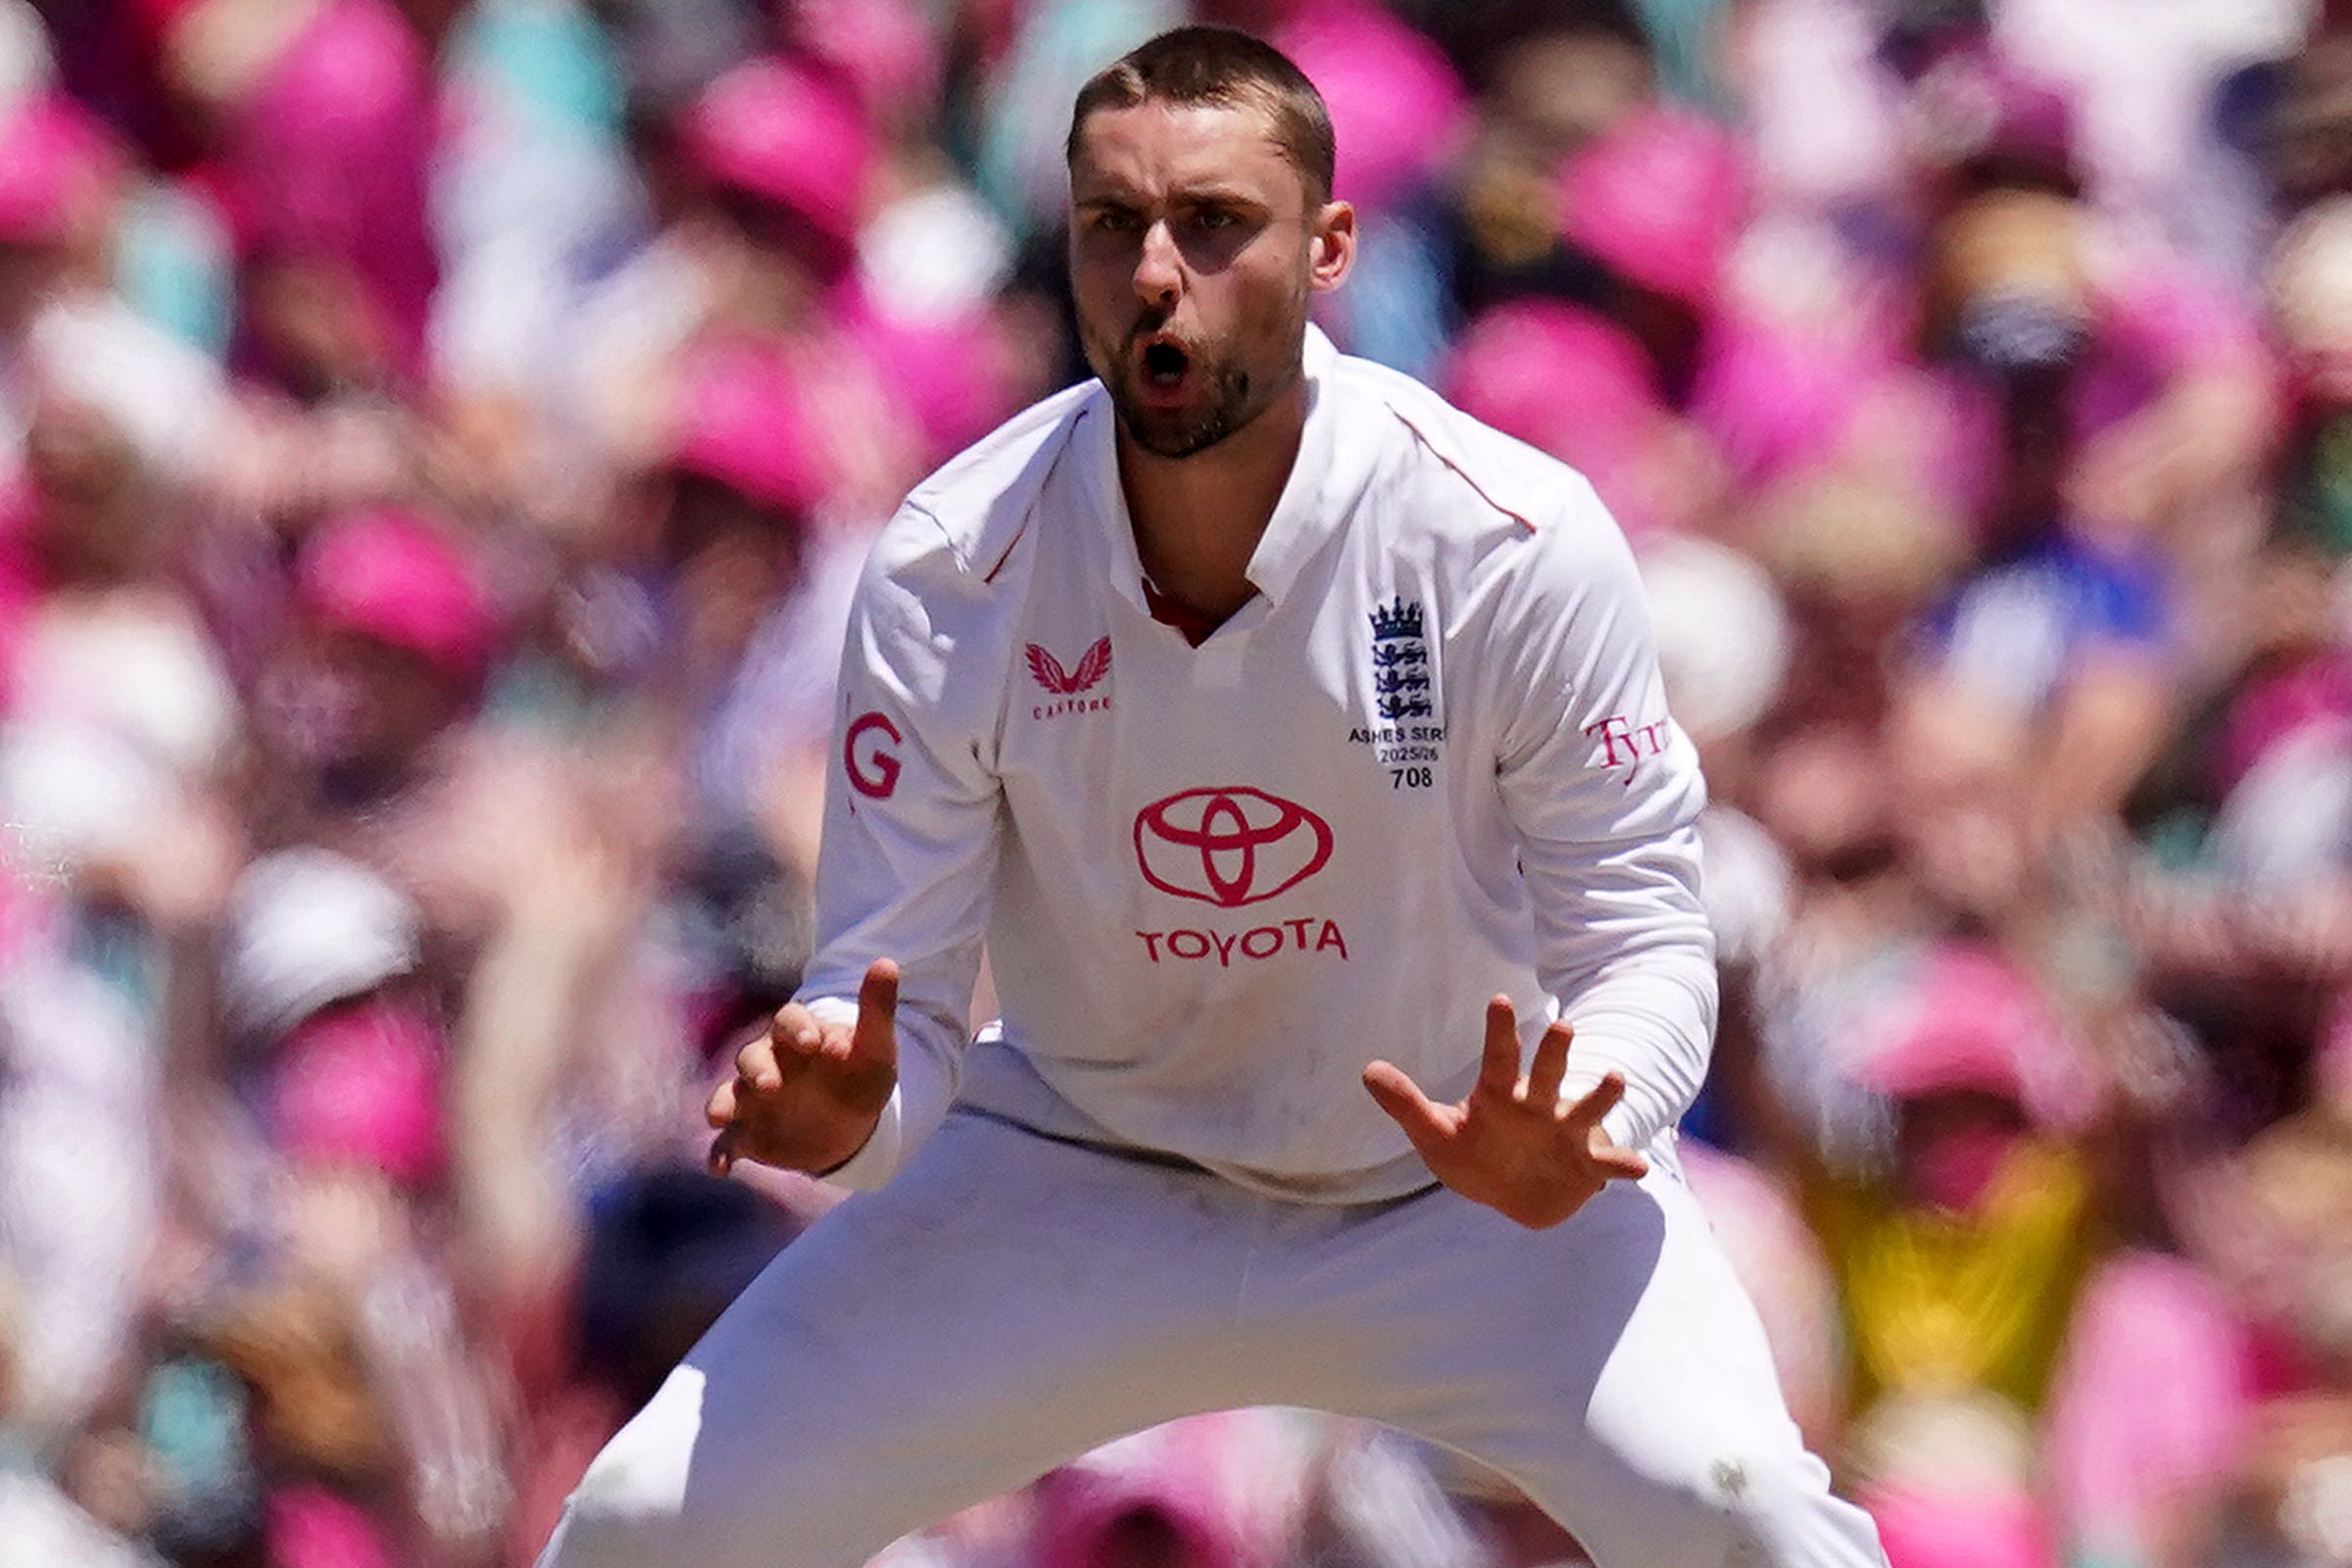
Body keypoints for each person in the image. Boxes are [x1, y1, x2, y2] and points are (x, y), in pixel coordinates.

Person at [536, 25, 1888, 1568]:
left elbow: (1647, 937)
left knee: (1765, 1528)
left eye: (1217, 224)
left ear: (1328, 250)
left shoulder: (1510, 536)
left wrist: (1589, 1114)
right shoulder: (950, 563)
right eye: (1115, 227)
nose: (1158, 272)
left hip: (1460, 1187)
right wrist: (847, 1112)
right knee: (647, 1521)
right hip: (1083, 1168)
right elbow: (889, 1019)